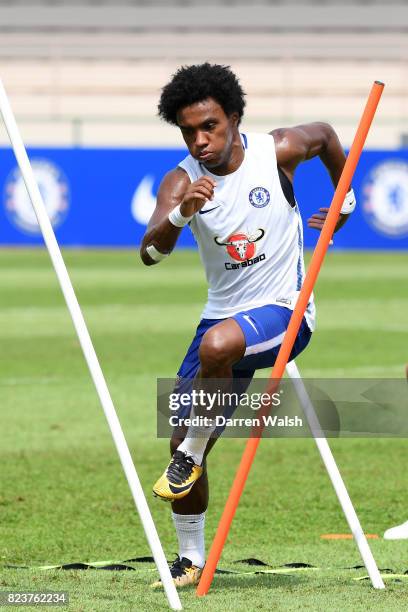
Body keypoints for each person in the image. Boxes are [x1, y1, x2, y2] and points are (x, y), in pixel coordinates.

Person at [140, 63, 355, 587]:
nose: (200, 140)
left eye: (209, 125)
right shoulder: (181, 181)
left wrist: (344, 199)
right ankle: (190, 558)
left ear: (234, 117)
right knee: (178, 439)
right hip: (222, 321)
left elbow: (326, 135)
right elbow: (149, 253)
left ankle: (191, 453)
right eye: (189, 131)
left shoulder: (275, 150)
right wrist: (179, 215)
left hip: (287, 312)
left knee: (207, 384)